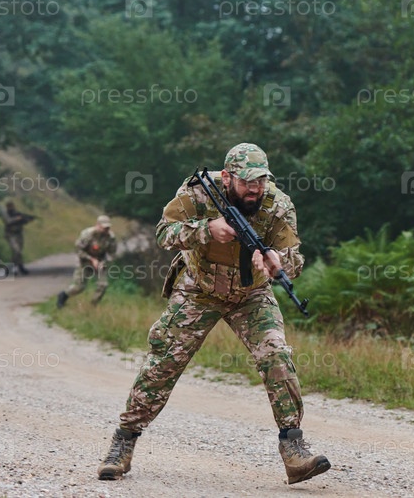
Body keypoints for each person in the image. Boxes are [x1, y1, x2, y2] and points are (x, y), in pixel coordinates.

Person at [97, 143, 330, 484]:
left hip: (251, 294)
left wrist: (278, 262)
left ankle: (294, 448)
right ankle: (123, 442)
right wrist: (206, 230)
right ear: (227, 177)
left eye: (260, 181)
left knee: (276, 354)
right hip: (199, 289)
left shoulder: (277, 205)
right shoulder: (198, 192)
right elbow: (164, 233)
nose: (255, 189)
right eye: (247, 182)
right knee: (163, 362)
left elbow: (293, 257)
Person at [56, 215, 117, 308]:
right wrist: (91, 259)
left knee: (103, 285)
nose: (106, 230)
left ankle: (93, 305)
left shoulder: (110, 237)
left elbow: (112, 253)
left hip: (100, 261)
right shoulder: (87, 234)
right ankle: (63, 295)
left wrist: (104, 262)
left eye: (108, 227)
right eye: (104, 227)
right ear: (98, 225)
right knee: (79, 287)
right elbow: (78, 250)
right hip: (85, 261)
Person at [0, 201, 35, 275]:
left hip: (19, 234)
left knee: (19, 252)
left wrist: (27, 219)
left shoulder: (17, 213)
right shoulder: (6, 214)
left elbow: (23, 221)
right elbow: (8, 221)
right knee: (17, 251)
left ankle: (20, 267)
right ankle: (10, 268)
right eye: (10, 206)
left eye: (12, 206)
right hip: (10, 234)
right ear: (7, 207)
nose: (11, 208)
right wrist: (17, 218)